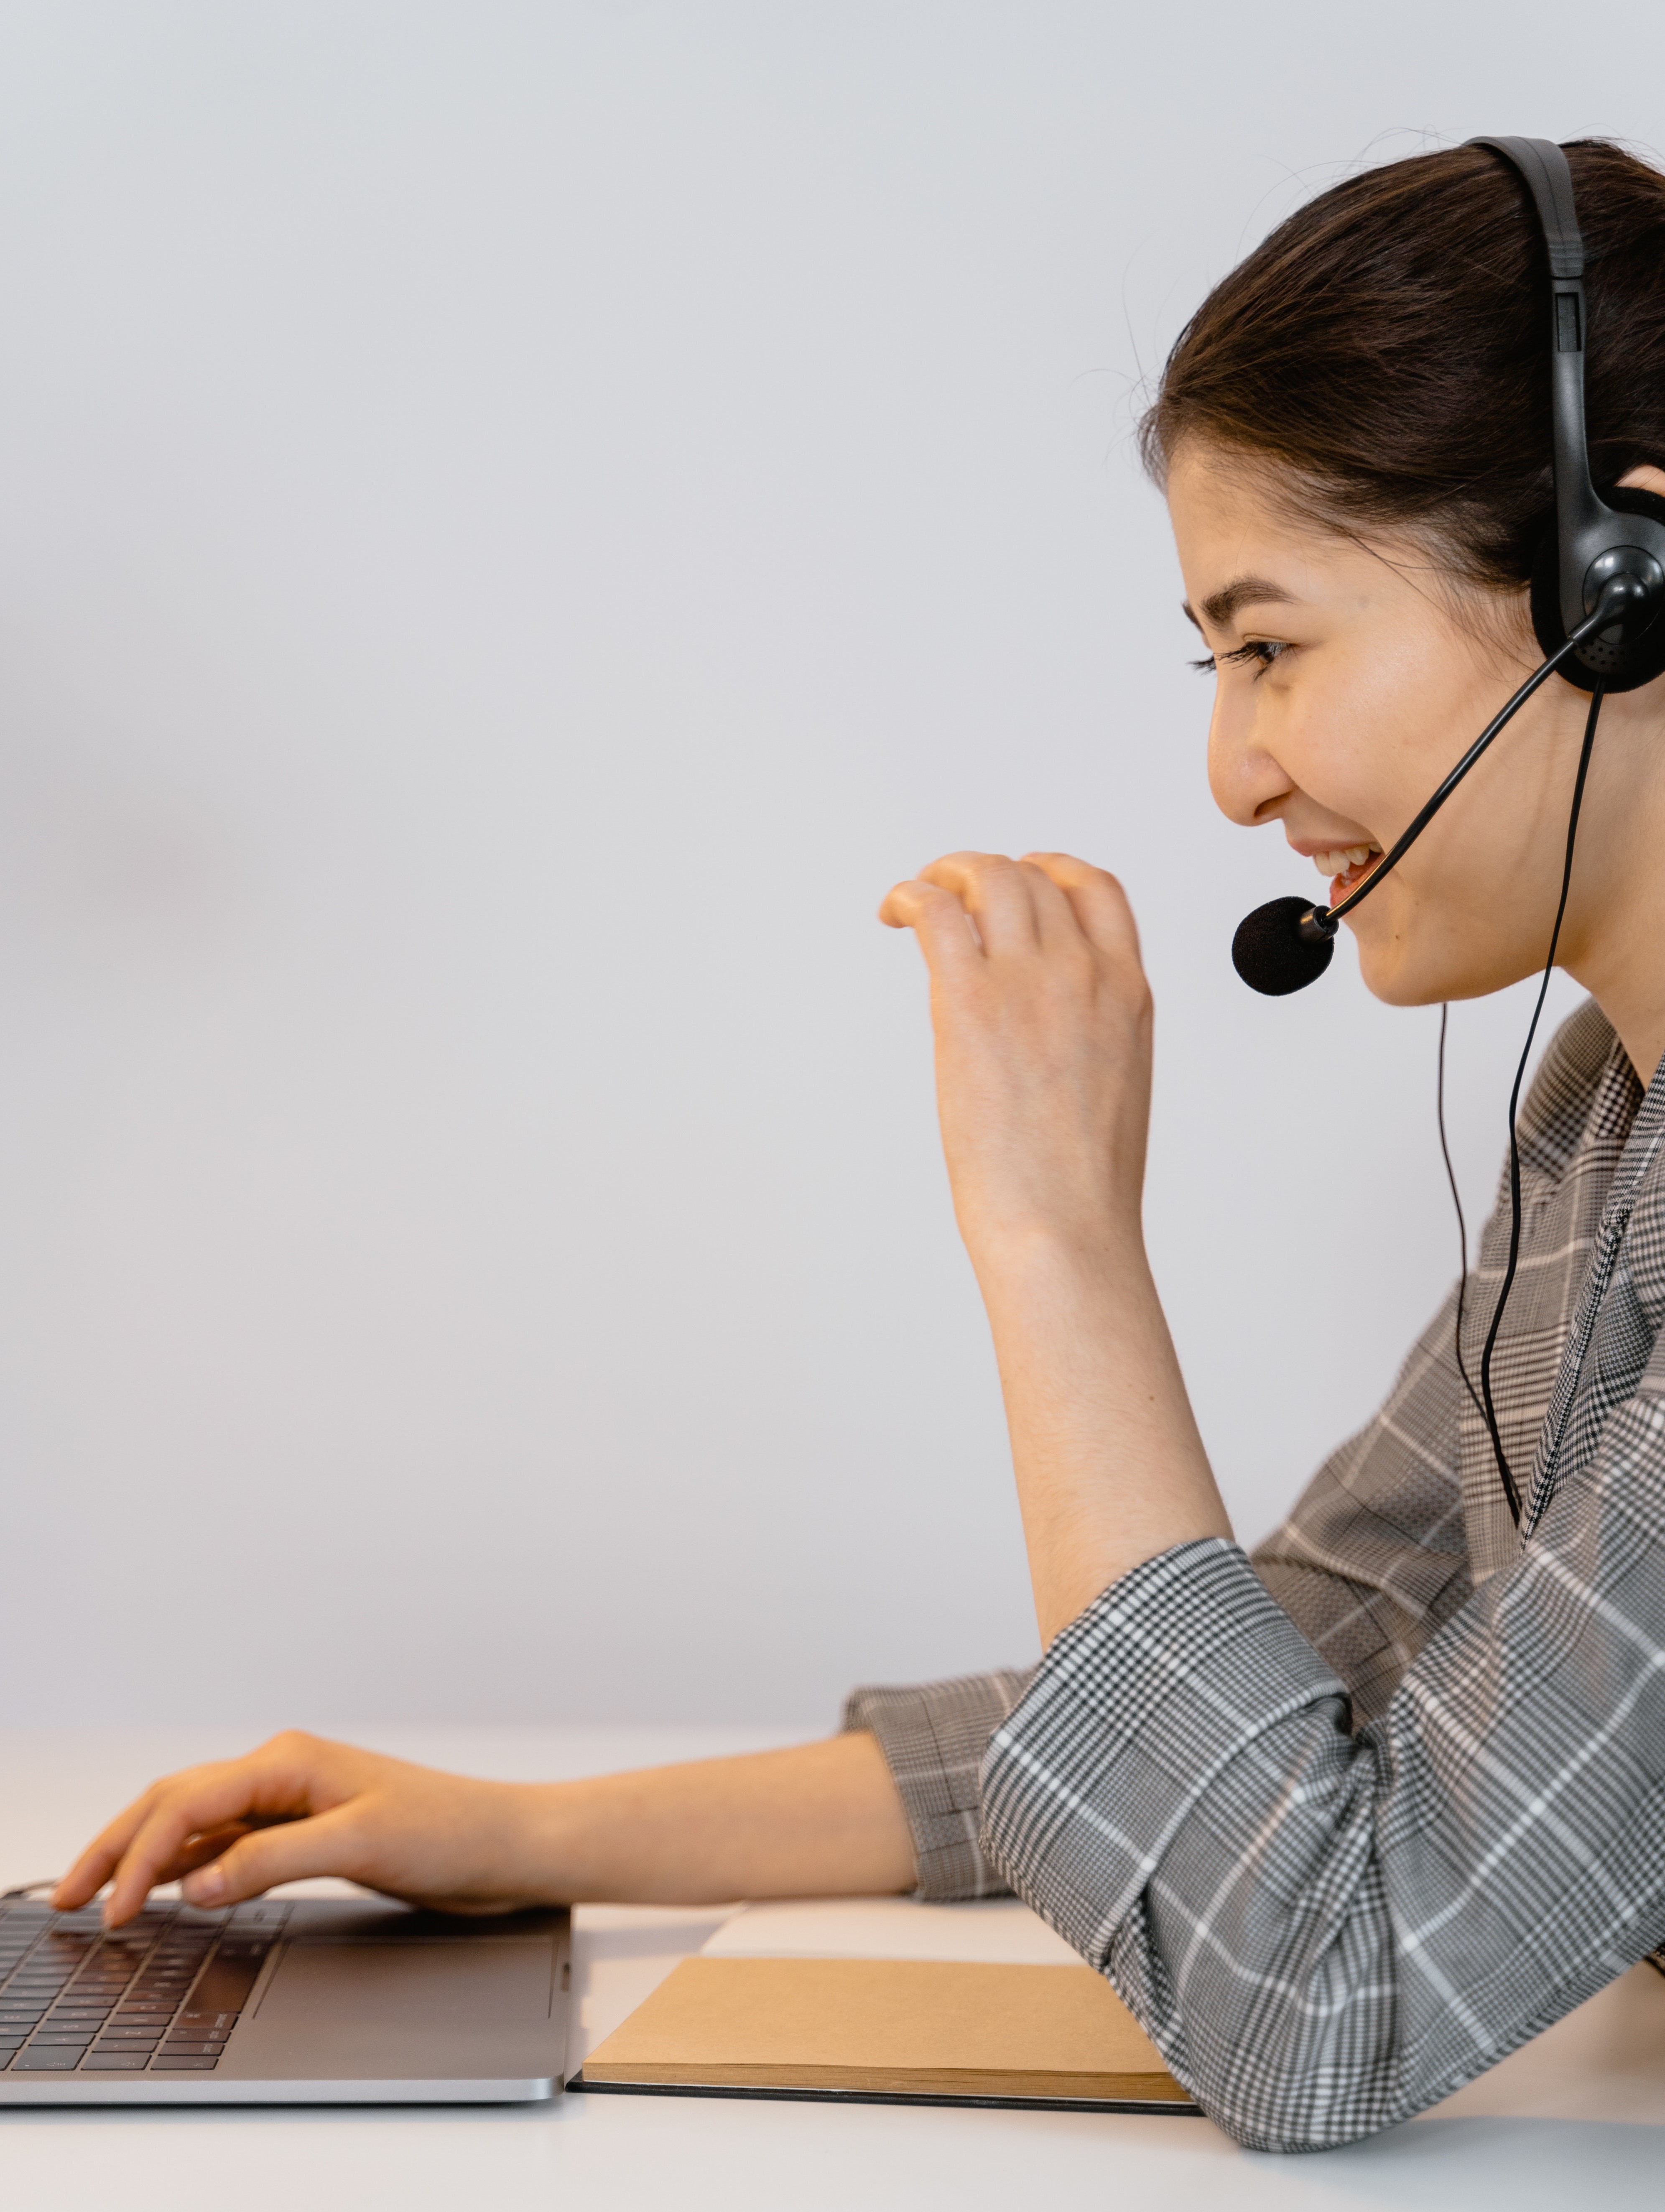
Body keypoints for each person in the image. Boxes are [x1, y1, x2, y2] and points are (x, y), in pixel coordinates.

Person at [52, 138, 1665, 2153]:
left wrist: (1056, 1240)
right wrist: (525, 1836)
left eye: (1274, 648)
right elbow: (1328, 1642)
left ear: (1620, 585)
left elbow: (1318, 2003)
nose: (1234, 771)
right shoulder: (1609, 1108)